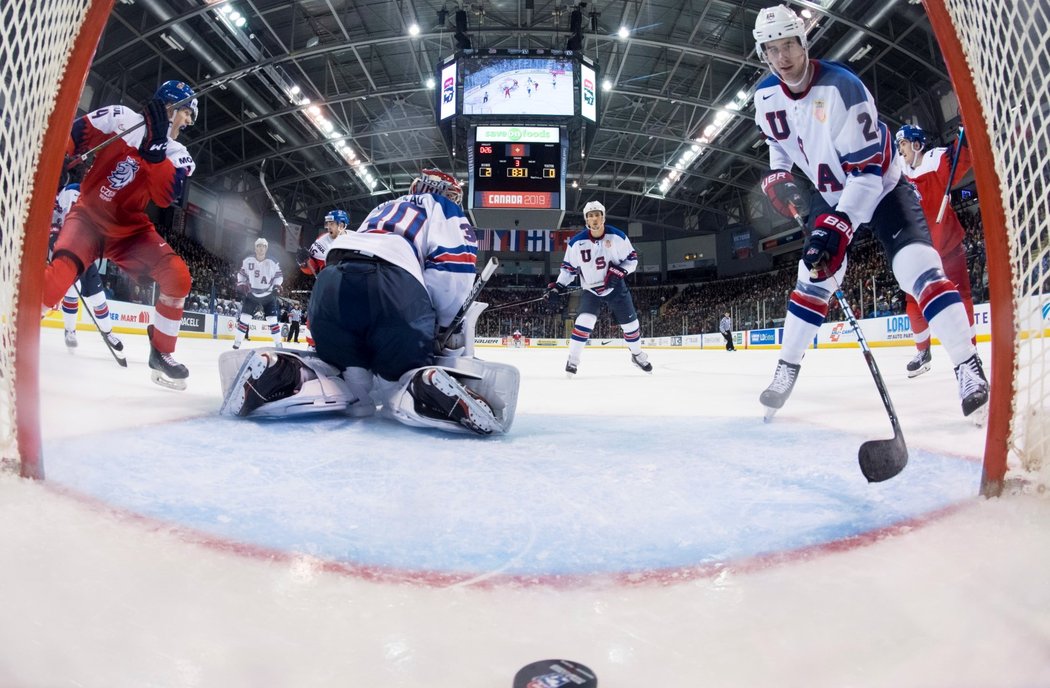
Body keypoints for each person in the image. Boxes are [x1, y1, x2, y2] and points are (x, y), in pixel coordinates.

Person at [751, 5, 988, 422]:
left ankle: (967, 365)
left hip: (880, 185)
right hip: (830, 191)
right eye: (773, 49)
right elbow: (779, 143)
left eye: (788, 44)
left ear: (803, 42)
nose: (782, 57)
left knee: (917, 267)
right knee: (812, 279)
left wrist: (839, 227)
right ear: (764, 54)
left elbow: (866, 175)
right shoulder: (766, 97)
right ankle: (786, 368)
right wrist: (778, 176)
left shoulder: (844, 88)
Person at [218, 168, 519, 436]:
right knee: (393, 382)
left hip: (331, 288)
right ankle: (417, 385)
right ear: (449, 193)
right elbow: (452, 272)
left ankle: (289, 372)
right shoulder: (445, 210)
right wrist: (440, 328)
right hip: (393, 290)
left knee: (353, 384)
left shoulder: (384, 207)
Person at [42, 79, 198, 390]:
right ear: (169, 108)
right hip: (88, 219)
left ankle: (161, 353)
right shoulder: (121, 119)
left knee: (178, 278)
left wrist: (154, 153)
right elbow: (77, 134)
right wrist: (60, 159)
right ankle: (12, 339)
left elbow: (167, 197)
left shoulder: (178, 153)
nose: (188, 123)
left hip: (130, 231)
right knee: (56, 280)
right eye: (186, 114)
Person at [896, 124, 977, 378]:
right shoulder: (898, 171)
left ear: (917, 144)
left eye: (904, 144)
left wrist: (964, 140)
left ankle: (970, 355)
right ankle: (923, 352)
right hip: (919, 252)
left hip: (948, 246)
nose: (901, 150)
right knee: (913, 306)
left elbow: (961, 157)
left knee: (962, 299)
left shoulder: (935, 159)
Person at [547, 200, 652, 376]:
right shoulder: (575, 243)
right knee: (584, 321)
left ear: (603, 217)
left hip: (616, 287)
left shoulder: (618, 236)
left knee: (631, 324)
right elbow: (568, 270)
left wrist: (618, 272)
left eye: (597, 215)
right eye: (590, 216)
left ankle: (637, 355)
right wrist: (557, 287)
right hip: (590, 290)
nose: (594, 219)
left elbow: (632, 260)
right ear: (586, 220)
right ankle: (573, 360)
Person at [49, 184, 124, 353]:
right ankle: (70, 331)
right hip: (68, 251)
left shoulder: (105, 197)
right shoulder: (71, 191)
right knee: (71, 293)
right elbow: (56, 214)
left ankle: (108, 333)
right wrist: (54, 235)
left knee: (99, 298)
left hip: (87, 254)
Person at [232, 238, 284, 349]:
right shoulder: (247, 261)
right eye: (259, 246)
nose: (261, 248)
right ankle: (237, 342)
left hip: (268, 295)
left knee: (273, 320)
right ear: (255, 248)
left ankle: (278, 344)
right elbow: (242, 275)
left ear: (266, 248)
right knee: (244, 318)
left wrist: (276, 285)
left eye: (264, 246)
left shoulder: (273, 262)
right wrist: (242, 283)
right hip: (252, 294)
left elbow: (279, 276)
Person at [297, 209, 349, 276]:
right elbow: (312, 267)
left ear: (341, 226)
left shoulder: (348, 245)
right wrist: (303, 263)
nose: (328, 228)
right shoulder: (323, 237)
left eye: (332, 224)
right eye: (328, 224)